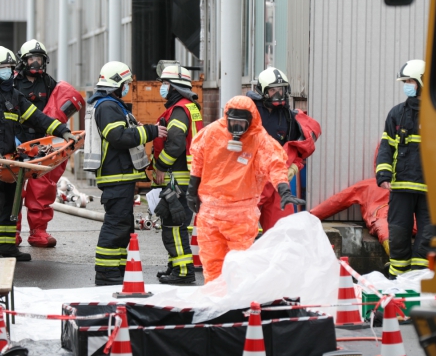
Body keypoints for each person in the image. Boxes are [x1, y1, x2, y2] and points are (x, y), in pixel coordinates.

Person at [0, 46, 76, 261]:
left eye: (9, 67)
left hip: (10, 161)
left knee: (11, 202)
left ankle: (6, 247)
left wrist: (62, 131)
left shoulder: (13, 95)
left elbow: (38, 118)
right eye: (2, 68)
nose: (6, 71)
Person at [187, 95, 305, 283]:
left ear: (251, 120)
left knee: (239, 265)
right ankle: (216, 303)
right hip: (210, 212)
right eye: (233, 123)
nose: (238, 129)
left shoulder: (258, 139)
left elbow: (274, 164)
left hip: (241, 213)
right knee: (212, 263)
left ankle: (236, 304)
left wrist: (283, 189)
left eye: (242, 124)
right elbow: (198, 160)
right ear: (227, 118)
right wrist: (191, 190)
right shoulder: (213, 133)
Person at [84, 61, 167, 286]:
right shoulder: (108, 106)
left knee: (122, 227)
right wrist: (150, 130)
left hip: (120, 177)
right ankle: (106, 274)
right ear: (117, 84)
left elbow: (120, 133)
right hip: (116, 177)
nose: (128, 87)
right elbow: (118, 137)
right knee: (115, 226)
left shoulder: (110, 105)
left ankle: (116, 269)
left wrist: (135, 127)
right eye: (126, 83)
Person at [13, 39, 85, 248]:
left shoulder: (48, 82)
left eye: (39, 59)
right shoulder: (14, 83)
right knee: (13, 190)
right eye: (31, 59)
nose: (36, 63)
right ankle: (11, 232)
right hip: (19, 141)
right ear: (23, 61)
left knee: (42, 189)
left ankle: (38, 232)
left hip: (43, 143)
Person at [375, 59, 433, 278]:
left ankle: (419, 278)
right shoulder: (397, 114)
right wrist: (384, 173)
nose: (406, 85)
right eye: (405, 81)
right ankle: (397, 278)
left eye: (410, 81)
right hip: (401, 188)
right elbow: (386, 147)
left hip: (430, 190)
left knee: (428, 236)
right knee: (398, 233)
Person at [247, 67, 321, 232]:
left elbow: (297, 146)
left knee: (282, 233)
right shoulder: (248, 111)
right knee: (241, 232)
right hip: (250, 182)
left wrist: (295, 166)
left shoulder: (287, 116)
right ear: (263, 91)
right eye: (273, 90)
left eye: (281, 90)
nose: (278, 94)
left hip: (277, 184)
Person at [149, 62, 203, 284]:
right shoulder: (187, 107)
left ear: (173, 87)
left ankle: (183, 272)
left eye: (165, 84)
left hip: (177, 179)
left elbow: (176, 144)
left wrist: (160, 166)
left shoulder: (179, 110)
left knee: (174, 226)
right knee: (174, 225)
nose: (162, 87)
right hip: (184, 178)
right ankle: (175, 267)